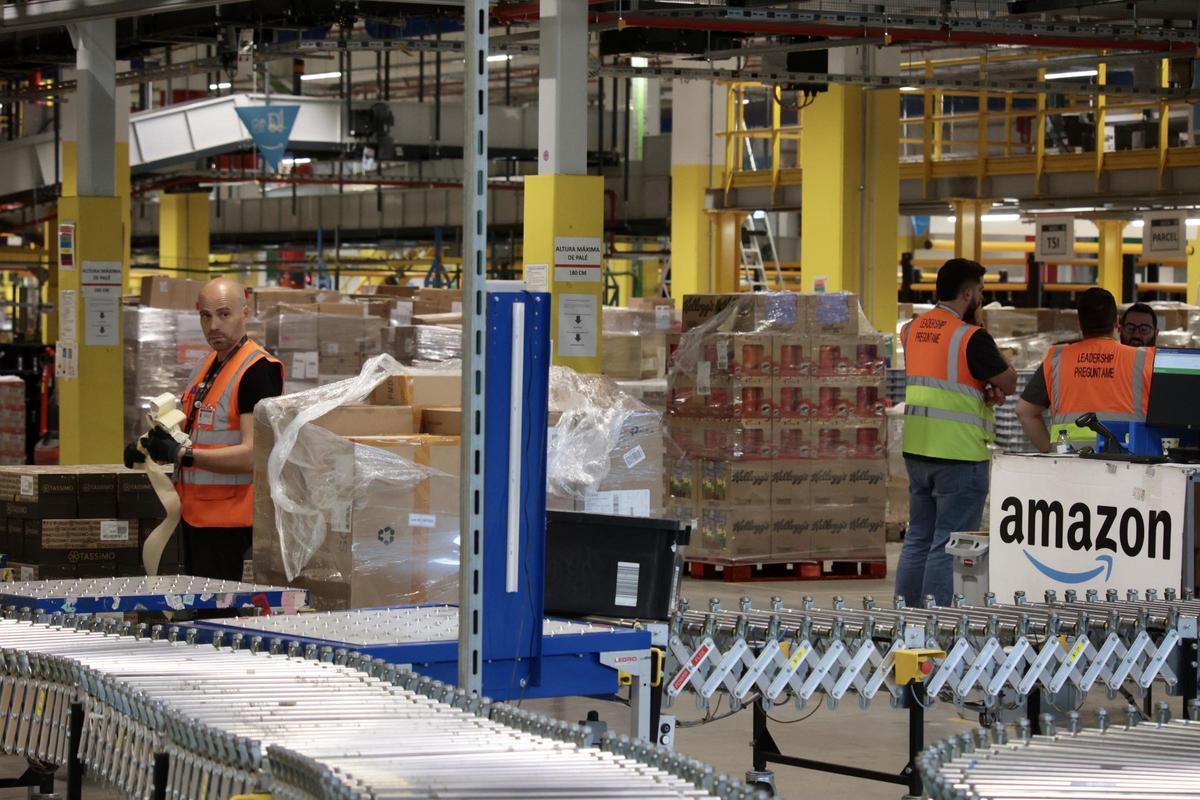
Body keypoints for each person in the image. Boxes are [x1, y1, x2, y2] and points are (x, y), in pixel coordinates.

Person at [126, 278, 283, 580]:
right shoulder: (208, 366)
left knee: (219, 614)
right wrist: (149, 447)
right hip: (197, 516)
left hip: (231, 524)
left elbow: (253, 456)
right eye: (205, 315)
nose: (213, 325)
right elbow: (190, 428)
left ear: (244, 313)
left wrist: (183, 454)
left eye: (224, 314)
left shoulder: (256, 372)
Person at [897, 259, 1017, 608]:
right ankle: (935, 624)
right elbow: (1007, 381)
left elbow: (947, 378)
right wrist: (994, 379)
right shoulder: (971, 336)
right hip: (959, 455)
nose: (981, 295)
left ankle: (908, 616)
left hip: (917, 449)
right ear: (968, 293)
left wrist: (984, 386)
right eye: (979, 290)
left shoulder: (912, 329)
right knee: (945, 543)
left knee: (918, 537)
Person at [1015, 288, 1152, 453]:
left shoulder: (1057, 359)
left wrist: (1051, 449)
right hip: (1127, 461)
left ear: (1079, 323)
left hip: (1070, 463)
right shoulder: (1143, 359)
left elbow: (1024, 412)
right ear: (1116, 323)